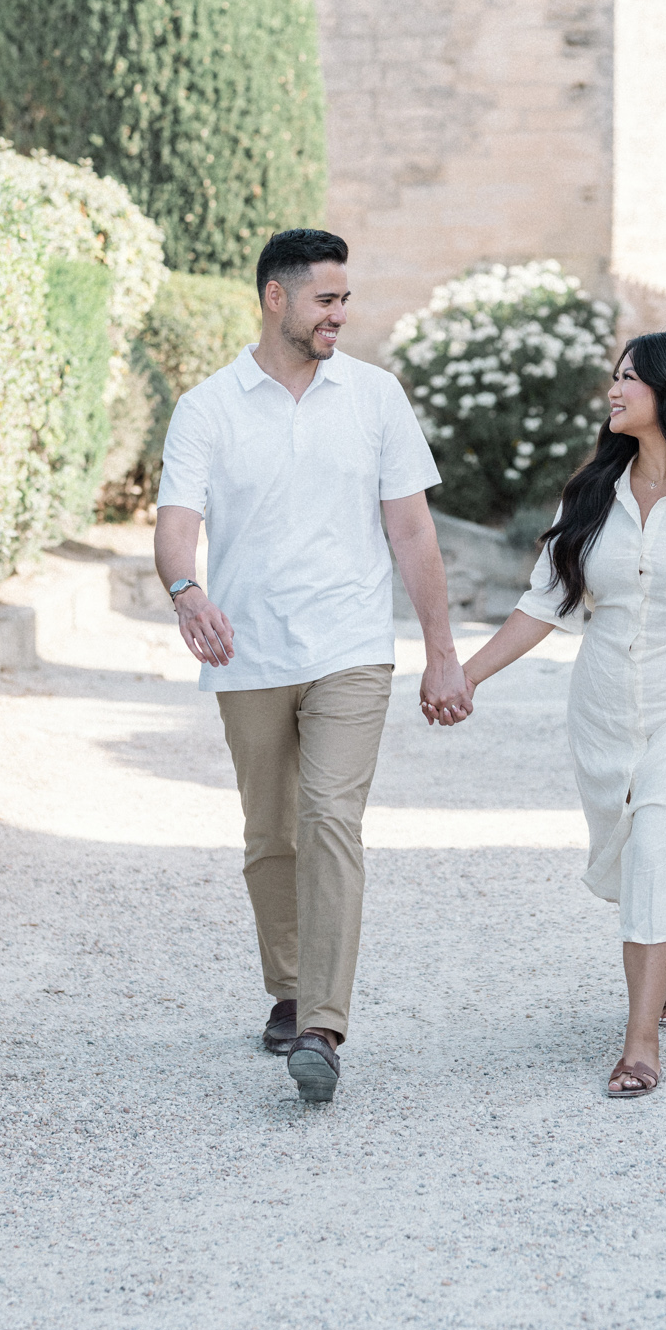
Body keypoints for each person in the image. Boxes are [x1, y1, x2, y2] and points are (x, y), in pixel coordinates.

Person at [153, 228, 473, 1105]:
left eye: (344, 298)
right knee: (272, 835)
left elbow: (411, 532)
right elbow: (176, 520)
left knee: (331, 817)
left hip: (350, 649)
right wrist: (186, 591)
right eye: (325, 299)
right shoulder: (207, 408)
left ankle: (323, 1027)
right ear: (275, 299)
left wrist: (441, 654)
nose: (341, 313)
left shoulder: (375, 398)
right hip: (246, 649)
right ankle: (289, 987)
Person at [460, 331, 666, 1098]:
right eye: (612, 378)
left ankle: (639, 1042)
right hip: (604, 709)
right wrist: (467, 676)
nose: (613, 391)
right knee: (630, 847)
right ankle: (663, 969)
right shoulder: (588, 495)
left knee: (657, 847)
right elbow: (540, 605)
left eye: (628, 379)